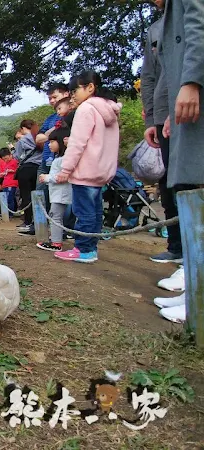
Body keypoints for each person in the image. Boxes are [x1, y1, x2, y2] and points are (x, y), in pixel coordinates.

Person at [151, 0, 204, 322]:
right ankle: (194, 283)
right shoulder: (166, 12)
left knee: (194, 185)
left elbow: (198, 31)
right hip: (181, 105)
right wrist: (169, 110)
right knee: (186, 185)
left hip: (192, 93)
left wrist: (191, 82)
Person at [54, 71, 122, 263]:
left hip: (85, 171)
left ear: (90, 87)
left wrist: (65, 169)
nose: (72, 95)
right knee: (95, 212)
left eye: (74, 90)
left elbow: (77, 144)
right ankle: (90, 248)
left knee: (83, 213)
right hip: (101, 171)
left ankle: (82, 249)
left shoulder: (86, 110)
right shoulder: (110, 111)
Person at [141, 0, 181, 264]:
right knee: (170, 185)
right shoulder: (155, 30)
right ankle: (178, 246)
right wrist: (152, 119)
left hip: (189, 106)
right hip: (165, 114)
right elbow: (150, 76)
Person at [37, 127, 72, 252]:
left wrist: (46, 178)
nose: (49, 145)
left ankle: (56, 243)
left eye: (52, 142)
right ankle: (56, 238)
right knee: (57, 217)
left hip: (61, 193)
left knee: (55, 216)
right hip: (58, 193)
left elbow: (63, 177)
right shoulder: (60, 158)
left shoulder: (64, 159)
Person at [14, 119, 41, 235]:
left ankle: (28, 221)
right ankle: (39, 221)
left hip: (26, 168)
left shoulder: (22, 140)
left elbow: (17, 156)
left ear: (23, 128)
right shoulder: (40, 137)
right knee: (38, 195)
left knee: (26, 196)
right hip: (39, 168)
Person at [0, 148, 19, 215]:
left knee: (10, 198)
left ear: (10, 155)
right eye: (4, 159)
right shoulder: (6, 163)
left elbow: (18, 170)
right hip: (5, 183)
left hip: (12, 183)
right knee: (5, 199)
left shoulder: (15, 162)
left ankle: (10, 213)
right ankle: (6, 213)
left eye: (6, 158)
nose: (5, 160)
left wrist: (13, 171)